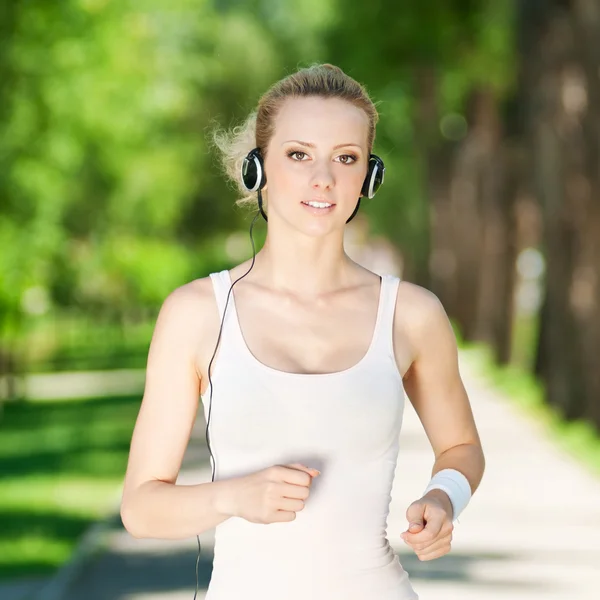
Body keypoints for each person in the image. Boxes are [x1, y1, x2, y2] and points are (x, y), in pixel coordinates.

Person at [120, 63, 485, 600]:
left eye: (346, 158)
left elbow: (461, 446)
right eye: (298, 154)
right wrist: (233, 497)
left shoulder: (411, 313)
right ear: (257, 169)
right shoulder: (197, 313)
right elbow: (141, 507)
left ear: (369, 176)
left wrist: (444, 497)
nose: (323, 179)